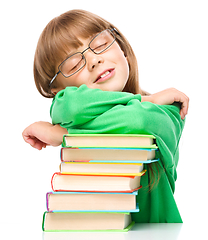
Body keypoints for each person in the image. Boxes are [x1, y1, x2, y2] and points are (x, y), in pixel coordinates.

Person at [22, 9, 189, 223]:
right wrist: (146, 101)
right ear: (59, 91)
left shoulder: (168, 108)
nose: (94, 60)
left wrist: (64, 134)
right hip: (95, 227)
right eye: (74, 64)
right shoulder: (153, 102)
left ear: (122, 48)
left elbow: (138, 121)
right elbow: (72, 106)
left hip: (156, 231)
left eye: (100, 44)